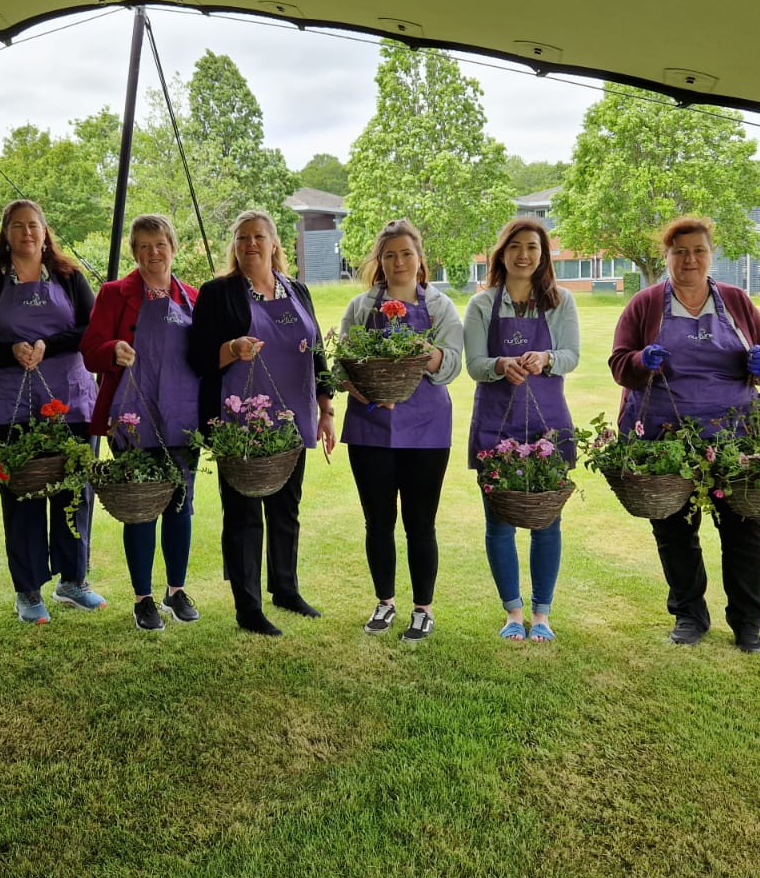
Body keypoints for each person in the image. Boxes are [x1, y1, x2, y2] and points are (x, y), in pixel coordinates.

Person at [610, 216, 760, 654]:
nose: (690, 259)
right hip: (665, 439)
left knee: (744, 527)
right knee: (673, 527)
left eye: (698, 250)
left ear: (711, 254)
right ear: (666, 256)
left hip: (734, 435)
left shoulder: (737, 301)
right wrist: (640, 361)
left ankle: (747, 623)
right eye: (680, 251)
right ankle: (689, 613)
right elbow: (618, 364)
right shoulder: (645, 305)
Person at [188, 210, 337, 636]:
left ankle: (285, 588)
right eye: (242, 237)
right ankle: (248, 606)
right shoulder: (219, 293)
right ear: (234, 247)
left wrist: (325, 410)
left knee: (287, 508)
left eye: (259, 236)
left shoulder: (298, 290)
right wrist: (232, 348)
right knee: (244, 514)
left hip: (293, 418)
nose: (251, 244)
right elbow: (198, 358)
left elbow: (317, 355)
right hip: (242, 423)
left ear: (275, 244)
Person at [0, 199, 101, 623]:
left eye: (33, 225)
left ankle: (74, 582)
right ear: (5, 234)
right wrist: (12, 350)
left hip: (69, 397)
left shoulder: (69, 276)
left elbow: (92, 330)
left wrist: (47, 345)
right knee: (21, 493)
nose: (26, 233)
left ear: (45, 231)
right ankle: (28, 591)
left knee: (74, 491)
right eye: (17, 226)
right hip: (9, 401)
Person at [338, 219, 462, 641]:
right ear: (380, 261)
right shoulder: (360, 308)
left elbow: (451, 366)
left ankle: (422, 609)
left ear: (420, 259)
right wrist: (367, 393)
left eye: (406, 253)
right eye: (389, 254)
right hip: (370, 425)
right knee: (378, 522)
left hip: (427, 427)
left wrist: (424, 353)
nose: (398, 262)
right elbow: (342, 365)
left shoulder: (440, 307)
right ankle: (385, 602)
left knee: (421, 523)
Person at [81, 213, 203, 632]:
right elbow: (90, 350)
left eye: (160, 244)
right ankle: (143, 598)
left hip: (183, 415)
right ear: (135, 253)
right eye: (145, 246)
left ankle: (175, 590)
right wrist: (113, 348)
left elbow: (204, 357)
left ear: (173, 247)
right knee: (141, 506)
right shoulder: (115, 294)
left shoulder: (192, 297)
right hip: (132, 416)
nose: (154, 253)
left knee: (180, 504)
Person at [464, 217, 579, 643]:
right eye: (515, 246)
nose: (524, 255)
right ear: (502, 253)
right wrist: (500, 365)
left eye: (532, 247)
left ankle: (543, 615)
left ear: (543, 255)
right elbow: (474, 363)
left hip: (548, 425)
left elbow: (572, 354)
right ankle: (513, 612)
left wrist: (546, 359)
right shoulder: (481, 305)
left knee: (547, 522)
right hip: (497, 425)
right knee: (499, 525)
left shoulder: (560, 301)